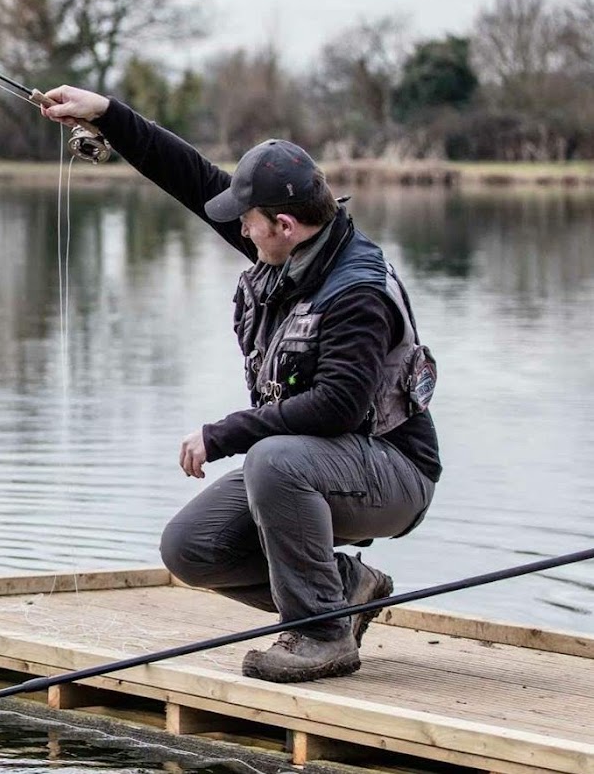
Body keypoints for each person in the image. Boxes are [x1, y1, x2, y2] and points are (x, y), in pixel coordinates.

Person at [41, 86, 442, 684]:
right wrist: (107, 115)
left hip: (393, 472)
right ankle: (345, 589)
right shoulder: (290, 246)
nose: (239, 232)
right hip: (313, 464)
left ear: (282, 224)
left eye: (247, 224)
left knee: (272, 460)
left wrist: (221, 434)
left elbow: (337, 407)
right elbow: (192, 178)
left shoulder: (356, 290)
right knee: (191, 547)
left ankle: (321, 635)